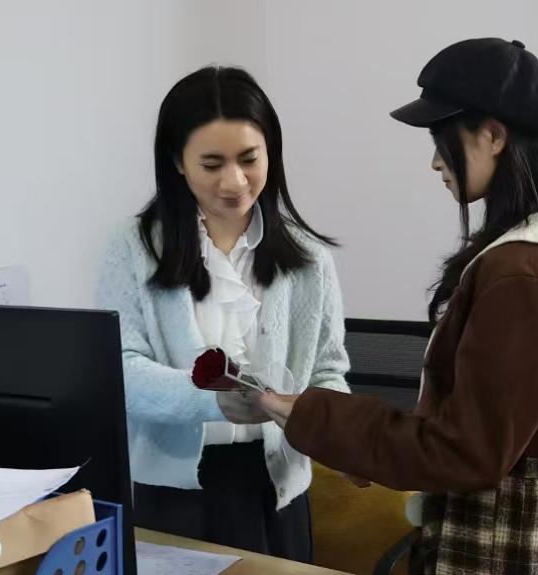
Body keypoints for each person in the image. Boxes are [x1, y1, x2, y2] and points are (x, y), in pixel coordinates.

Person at [257, 38, 538, 574]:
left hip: (511, 526)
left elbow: (465, 451)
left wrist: (317, 417)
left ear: (494, 135)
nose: (436, 161)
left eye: (442, 138)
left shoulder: (526, 272)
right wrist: (361, 444)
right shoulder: (536, 250)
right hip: (518, 510)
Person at [97, 66, 350, 562]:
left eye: (249, 159)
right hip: (173, 489)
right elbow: (120, 369)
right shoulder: (133, 248)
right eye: (211, 164)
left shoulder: (309, 259)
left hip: (275, 487)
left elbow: (328, 370)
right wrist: (210, 400)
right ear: (177, 161)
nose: (234, 182)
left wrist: (337, 432)